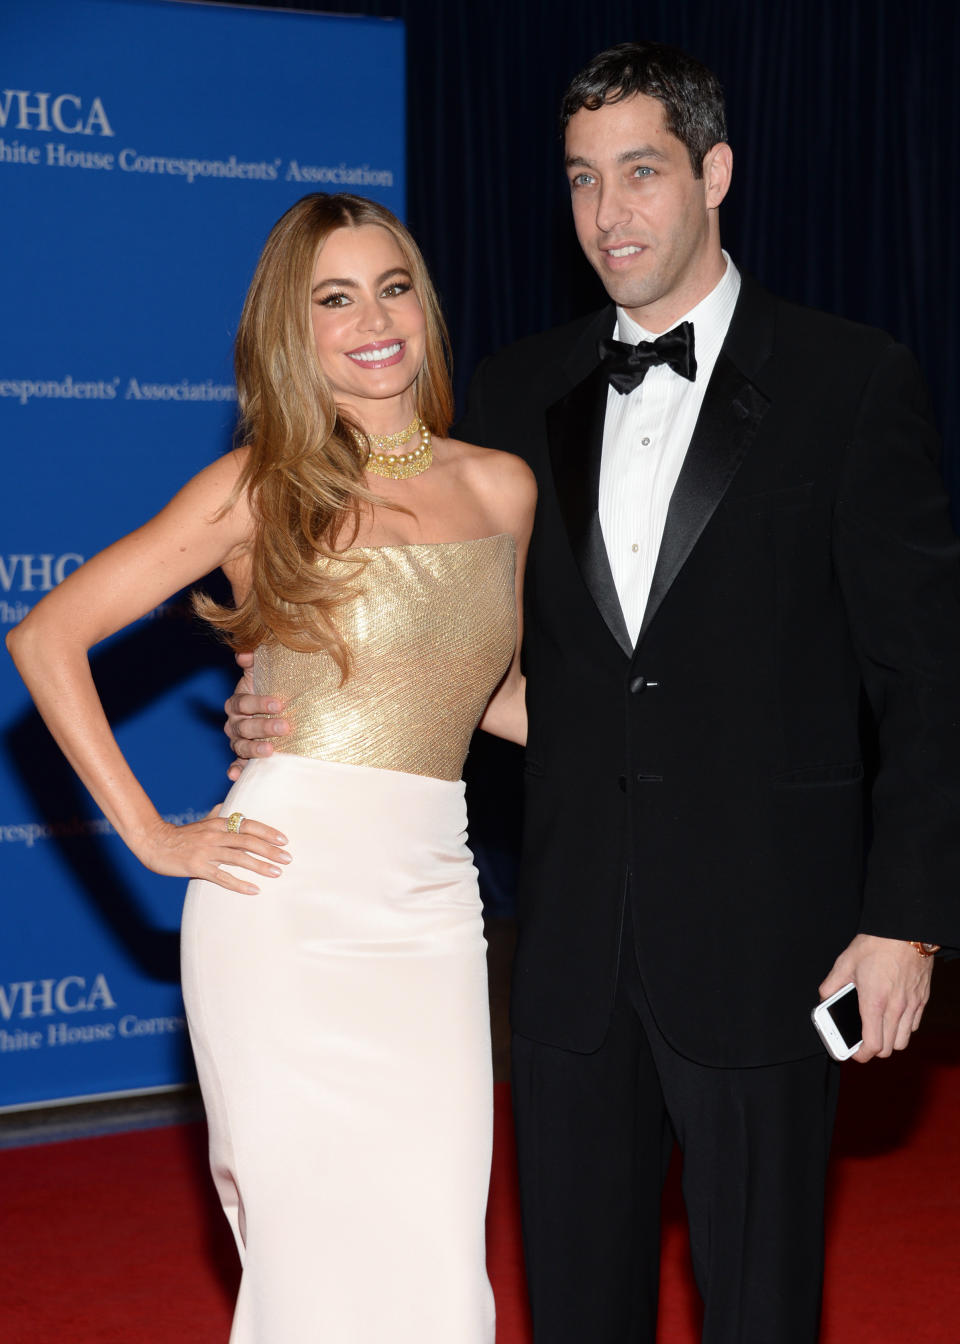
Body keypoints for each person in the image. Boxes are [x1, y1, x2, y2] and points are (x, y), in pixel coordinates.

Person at [227, 44, 960, 1344]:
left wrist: (904, 919)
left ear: (714, 173)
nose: (609, 214)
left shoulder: (851, 382)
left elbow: (929, 673)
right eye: (581, 181)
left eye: (640, 173)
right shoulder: (511, 393)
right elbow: (374, 557)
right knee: (572, 1309)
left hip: (766, 946)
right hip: (564, 957)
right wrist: (290, 685)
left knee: (760, 1311)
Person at [7, 192, 535, 1343]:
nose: (372, 320)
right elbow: (45, 639)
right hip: (280, 908)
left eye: (393, 287)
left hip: (434, 914)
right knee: (307, 1258)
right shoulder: (259, 489)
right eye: (332, 299)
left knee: (442, 1260)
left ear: (426, 308)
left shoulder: (502, 487)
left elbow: (489, 695)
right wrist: (154, 835)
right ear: (291, 333)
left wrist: (692, 742)